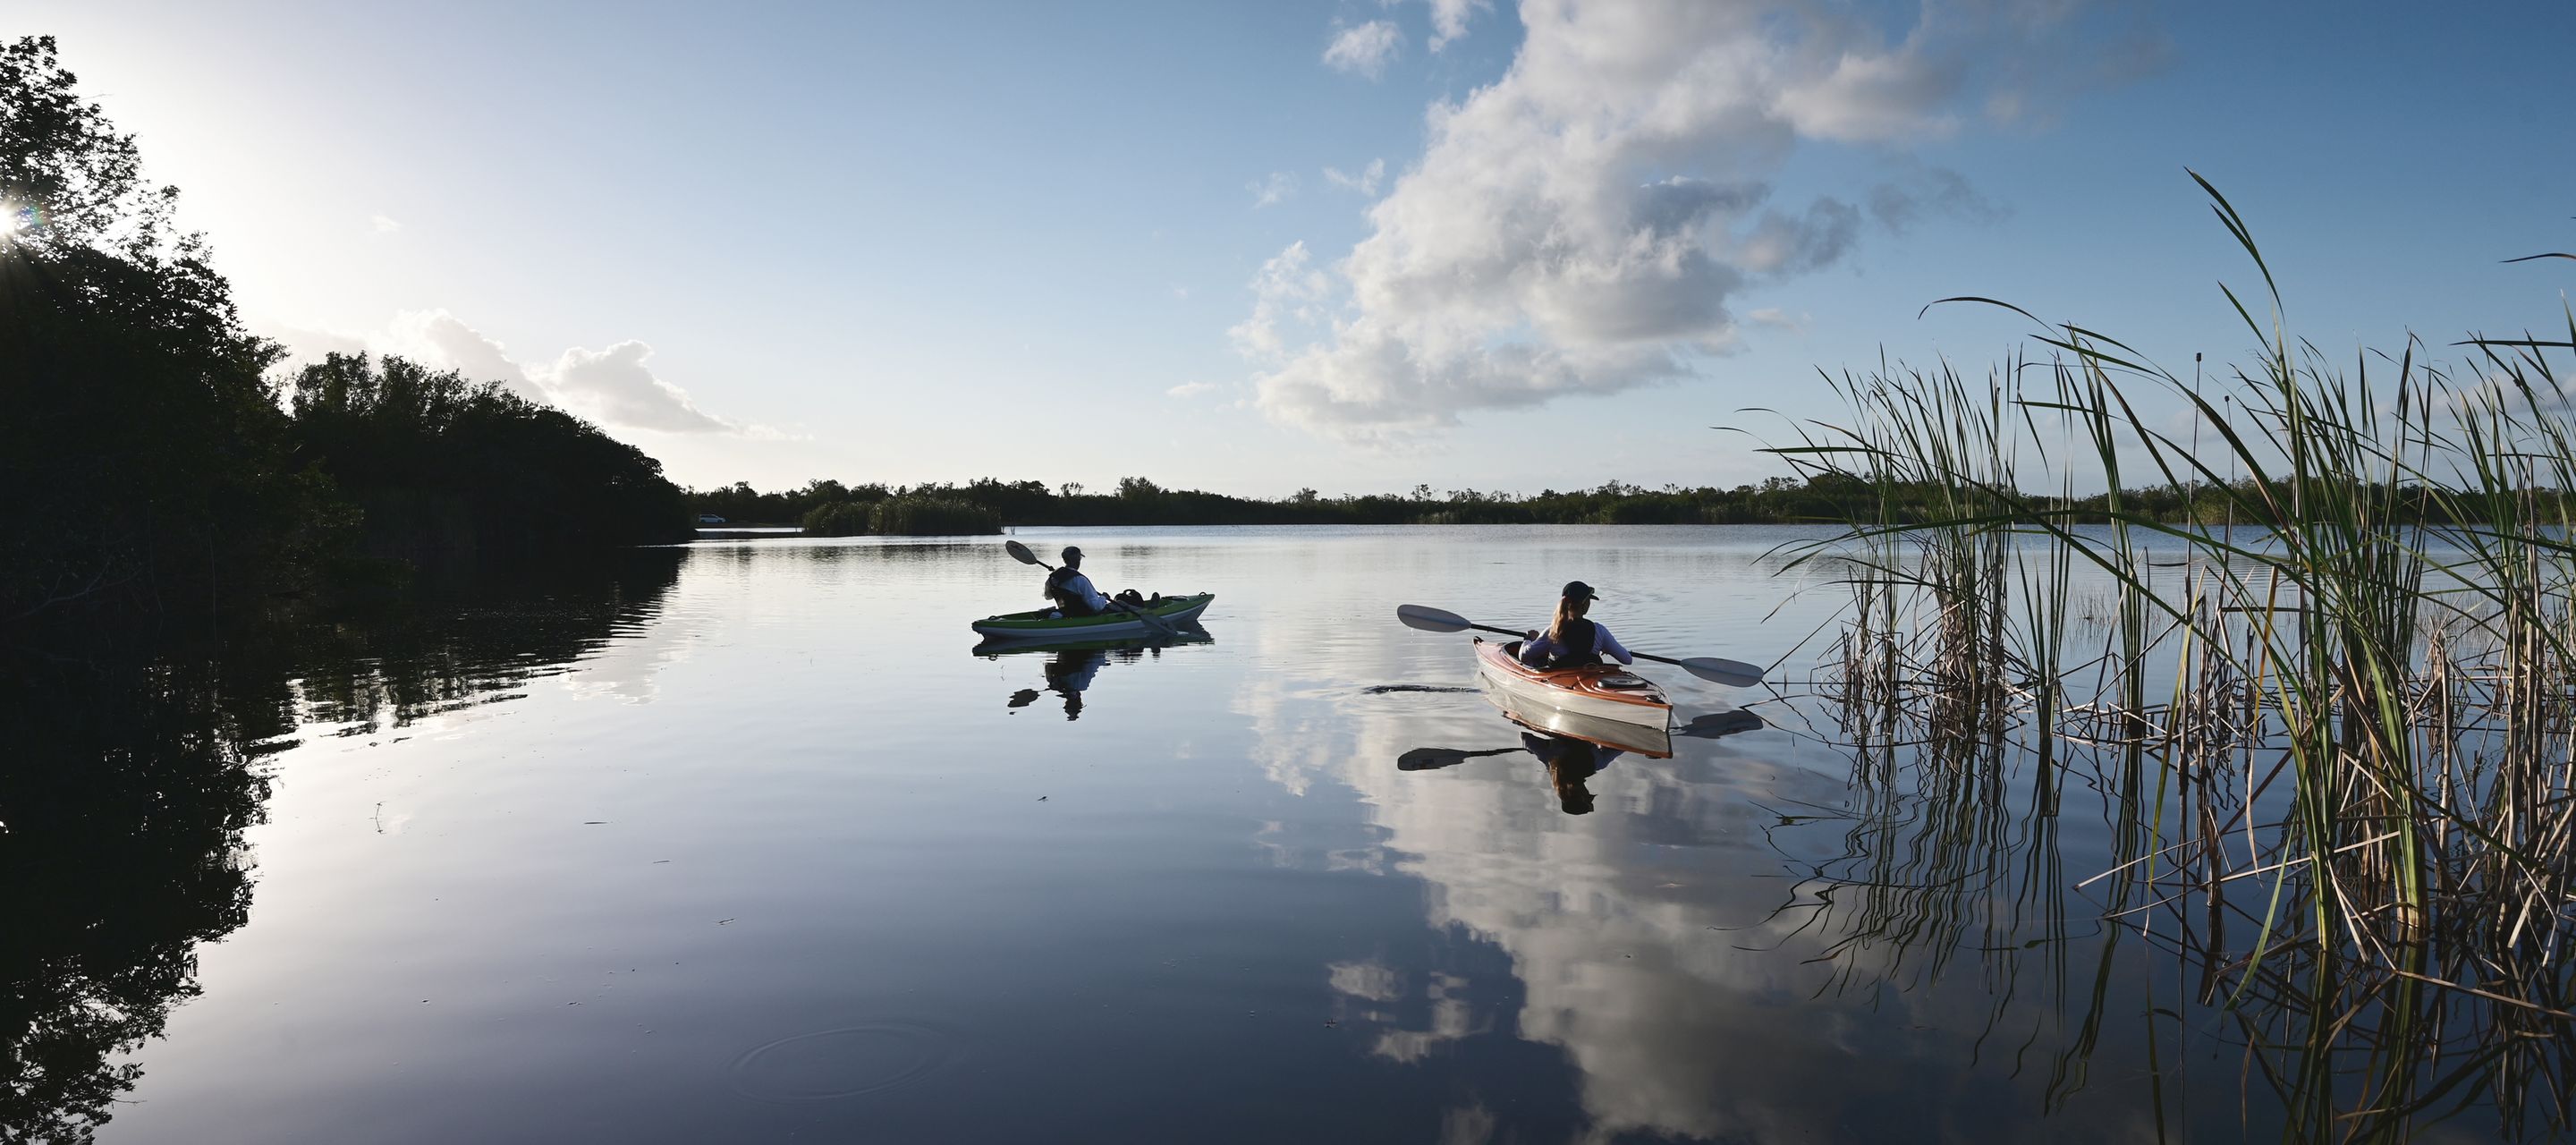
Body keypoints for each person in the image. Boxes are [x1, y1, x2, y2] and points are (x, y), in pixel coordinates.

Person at [1518, 581, 1633, 670]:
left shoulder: (1553, 632)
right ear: (1585, 605)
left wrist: (1528, 639)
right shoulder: (1600, 631)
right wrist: (1606, 646)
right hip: (1590, 681)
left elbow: (1523, 656)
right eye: (1589, 601)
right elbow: (1627, 659)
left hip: (1562, 684)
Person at [1042, 546, 1113, 616]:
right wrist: (1104, 597)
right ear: (1077, 560)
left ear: (1064, 560)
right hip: (1084, 616)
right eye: (1080, 558)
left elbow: (1048, 596)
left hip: (1065, 613)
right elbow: (1096, 607)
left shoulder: (1052, 578)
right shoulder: (1080, 579)